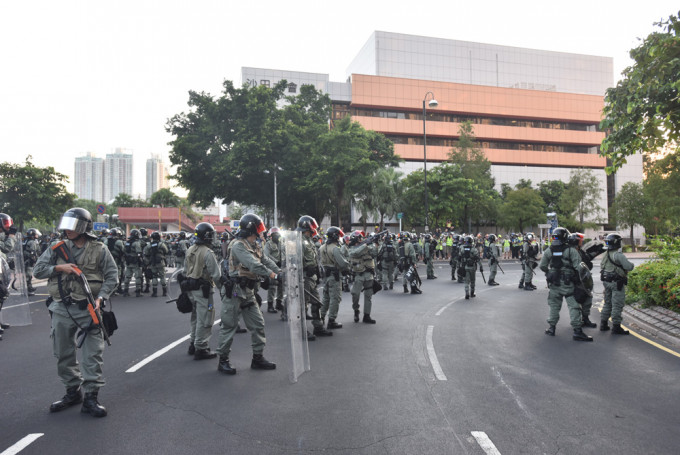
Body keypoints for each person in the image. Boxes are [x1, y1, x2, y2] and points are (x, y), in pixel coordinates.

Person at [33, 208, 118, 417]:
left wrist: (101, 297)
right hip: (61, 307)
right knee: (63, 352)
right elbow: (38, 270)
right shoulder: (57, 248)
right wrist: (60, 268)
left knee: (93, 355)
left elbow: (112, 276)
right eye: (67, 226)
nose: (68, 231)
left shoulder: (100, 249)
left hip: (89, 308)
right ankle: (72, 392)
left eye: (73, 227)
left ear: (84, 228)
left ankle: (91, 398)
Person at [216, 214, 278, 374]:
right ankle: (223, 360)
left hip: (248, 291)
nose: (261, 231)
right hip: (235, 291)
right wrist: (274, 275)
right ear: (252, 229)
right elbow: (254, 265)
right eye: (259, 228)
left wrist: (280, 271)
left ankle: (258, 358)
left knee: (258, 324)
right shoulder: (238, 246)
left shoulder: (254, 245)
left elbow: (265, 260)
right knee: (229, 326)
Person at [538, 227, 592, 341]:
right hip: (568, 283)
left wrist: (549, 273)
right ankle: (577, 331)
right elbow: (579, 266)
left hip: (554, 283)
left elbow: (542, 266)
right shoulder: (570, 250)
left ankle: (551, 328)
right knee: (574, 306)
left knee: (554, 305)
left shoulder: (549, 250)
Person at [185, 222, 221, 360]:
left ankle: (193, 343)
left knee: (195, 317)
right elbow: (216, 275)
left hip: (191, 290)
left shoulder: (190, 250)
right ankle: (201, 347)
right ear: (207, 236)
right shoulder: (208, 253)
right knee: (206, 317)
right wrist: (223, 291)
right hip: (203, 291)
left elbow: (184, 270)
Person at [298, 216, 333, 337]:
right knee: (303, 305)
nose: (314, 230)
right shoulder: (299, 241)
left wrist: (317, 272)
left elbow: (313, 258)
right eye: (312, 227)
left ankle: (318, 327)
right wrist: (305, 268)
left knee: (316, 302)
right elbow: (294, 261)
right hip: (304, 277)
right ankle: (302, 330)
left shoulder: (309, 240)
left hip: (311, 277)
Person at [600, 233, 635, 334]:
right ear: (617, 243)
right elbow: (629, 267)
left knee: (607, 303)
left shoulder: (606, 254)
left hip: (606, 282)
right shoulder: (618, 255)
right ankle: (616, 327)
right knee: (617, 304)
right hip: (616, 283)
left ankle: (603, 324)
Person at [319, 226, 351, 329]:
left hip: (326, 276)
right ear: (335, 236)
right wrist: (348, 265)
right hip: (335, 276)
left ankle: (321, 317)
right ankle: (331, 320)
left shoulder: (322, 247)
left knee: (325, 298)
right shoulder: (335, 249)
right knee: (335, 298)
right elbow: (342, 263)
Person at [568, 232, 598, 329]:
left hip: (584, 279)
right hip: (577, 279)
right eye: (580, 240)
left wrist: (594, 253)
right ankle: (577, 323)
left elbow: (585, 262)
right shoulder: (571, 252)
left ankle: (585, 319)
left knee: (587, 299)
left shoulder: (580, 251)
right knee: (578, 300)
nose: (582, 241)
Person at [349, 230, 379, 322]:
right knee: (355, 294)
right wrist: (365, 245)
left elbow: (375, 253)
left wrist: (376, 243)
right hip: (359, 274)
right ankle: (356, 310)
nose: (362, 239)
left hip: (369, 274)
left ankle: (366, 316)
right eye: (360, 237)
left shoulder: (367, 246)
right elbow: (354, 253)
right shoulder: (352, 248)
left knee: (368, 296)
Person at [263, 226, 283, 314]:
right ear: (271, 235)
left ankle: (279, 303)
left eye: (278, 234)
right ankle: (270, 305)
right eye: (275, 234)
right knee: (272, 286)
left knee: (281, 285)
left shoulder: (282, 243)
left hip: (281, 267)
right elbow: (266, 255)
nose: (276, 236)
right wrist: (276, 262)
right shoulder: (268, 244)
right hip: (272, 267)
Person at [143, 231, 169, 297]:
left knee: (154, 276)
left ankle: (154, 293)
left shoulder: (149, 245)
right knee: (162, 276)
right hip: (160, 262)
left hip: (153, 263)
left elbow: (146, 253)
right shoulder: (161, 244)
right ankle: (164, 292)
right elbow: (166, 251)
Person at [122, 229, 144, 297]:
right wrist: (141, 261)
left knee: (127, 276)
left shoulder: (127, 242)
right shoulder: (136, 243)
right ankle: (138, 292)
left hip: (128, 261)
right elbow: (139, 253)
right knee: (138, 276)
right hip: (135, 262)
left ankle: (125, 291)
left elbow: (124, 251)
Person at [460, 235, 482, 299]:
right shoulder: (474, 249)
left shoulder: (462, 249)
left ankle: (466, 292)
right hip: (472, 267)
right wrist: (481, 266)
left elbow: (460, 257)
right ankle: (472, 293)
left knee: (466, 281)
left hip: (466, 266)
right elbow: (477, 259)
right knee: (472, 281)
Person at [106, 228, 126, 294]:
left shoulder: (106, 241)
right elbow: (123, 250)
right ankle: (117, 289)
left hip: (108, 260)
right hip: (117, 261)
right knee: (118, 275)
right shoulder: (119, 242)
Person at [23, 228, 41, 295]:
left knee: (28, 275)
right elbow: (33, 253)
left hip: (25, 260)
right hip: (29, 261)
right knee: (28, 276)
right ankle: (28, 290)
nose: (37, 235)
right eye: (36, 234)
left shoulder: (26, 241)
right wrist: (34, 260)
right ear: (33, 234)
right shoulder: (32, 242)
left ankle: (29, 288)